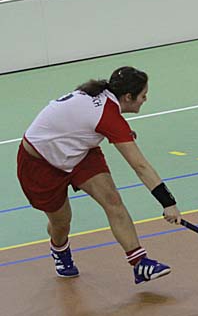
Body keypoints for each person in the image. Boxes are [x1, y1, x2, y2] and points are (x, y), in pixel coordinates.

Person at [16, 66, 181, 284]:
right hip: (40, 164)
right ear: (128, 97)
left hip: (80, 153)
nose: (145, 99)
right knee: (61, 222)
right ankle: (60, 249)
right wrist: (168, 203)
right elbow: (140, 166)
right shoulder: (108, 116)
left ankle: (140, 264)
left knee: (113, 200)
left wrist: (120, 132)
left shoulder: (106, 103)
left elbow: (82, 121)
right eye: (143, 95)